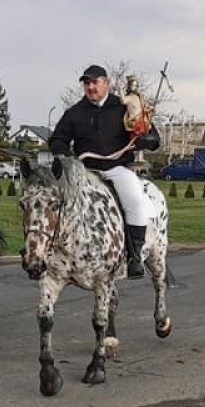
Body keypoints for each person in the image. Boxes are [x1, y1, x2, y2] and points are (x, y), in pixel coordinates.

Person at [49, 64, 160, 278]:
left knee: (135, 200)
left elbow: (154, 139)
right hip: (85, 170)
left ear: (106, 83)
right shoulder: (74, 113)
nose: (90, 87)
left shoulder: (124, 107)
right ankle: (50, 253)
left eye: (95, 82)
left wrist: (146, 140)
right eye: (87, 83)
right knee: (56, 202)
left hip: (116, 168)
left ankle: (134, 256)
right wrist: (62, 155)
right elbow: (58, 139)